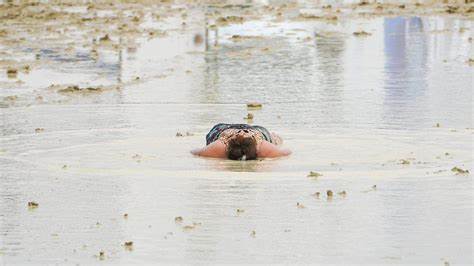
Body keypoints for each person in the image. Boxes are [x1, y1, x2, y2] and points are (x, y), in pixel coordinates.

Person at [191, 123, 291, 160]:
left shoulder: (220, 146)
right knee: (275, 139)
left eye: (238, 135)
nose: (241, 131)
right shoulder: (262, 146)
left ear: (229, 141)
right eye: (245, 133)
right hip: (257, 131)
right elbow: (287, 152)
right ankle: (274, 138)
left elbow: (195, 151)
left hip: (223, 128)